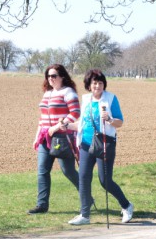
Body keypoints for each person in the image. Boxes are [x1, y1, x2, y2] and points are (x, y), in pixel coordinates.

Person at [65, 69, 134, 225]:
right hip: (86, 143)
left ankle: (126, 206)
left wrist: (109, 119)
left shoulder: (110, 99)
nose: (97, 86)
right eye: (94, 83)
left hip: (104, 143)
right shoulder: (86, 99)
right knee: (83, 178)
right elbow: (83, 124)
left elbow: (120, 122)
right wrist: (68, 125)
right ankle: (84, 215)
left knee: (105, 181)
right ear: (89, 85)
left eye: (100, 83)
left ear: (104, 85)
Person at [27, 64, 80, 214]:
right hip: (45, 137)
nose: (51, 78)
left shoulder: (68, 92)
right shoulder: (47, 93)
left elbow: (75, 113)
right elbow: (42, 117)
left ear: (62, 76)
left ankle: (86, 197)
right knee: (42, 171)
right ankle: (42, 205)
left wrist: (57, 127)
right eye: (48, 76)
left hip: (62, 137)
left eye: (54, 76)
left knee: (68, 171)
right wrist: (37, 136)